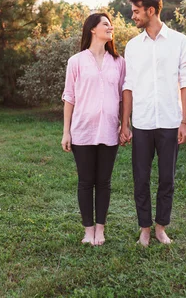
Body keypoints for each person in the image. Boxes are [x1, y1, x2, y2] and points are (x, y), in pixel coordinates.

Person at [120, 0, 186, 247]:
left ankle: (161, 227)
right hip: (141, 122)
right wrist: (125, 123)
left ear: (151, 10)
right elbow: (128, 85)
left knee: (167, 178)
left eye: (136, 11)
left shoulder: (179, 42)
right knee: (140, 178)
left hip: (169, 121)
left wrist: (185, 121)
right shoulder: (132, 46)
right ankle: (144, 228)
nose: (133, 16)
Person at [61, 13, 126, 246]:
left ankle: (101, 229)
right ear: (92, 29)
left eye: (111, 25)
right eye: (106, 24)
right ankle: (88, 230)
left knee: (104, 182)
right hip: (82, 131)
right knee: (86, 181)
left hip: (109, 131)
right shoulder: (76, 61)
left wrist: (124, 124)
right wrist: (66, 132)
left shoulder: (119, 62)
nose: (111, 28)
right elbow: (69, 97)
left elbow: (122, 96)